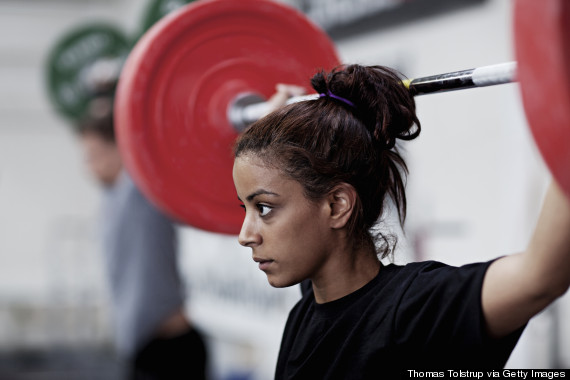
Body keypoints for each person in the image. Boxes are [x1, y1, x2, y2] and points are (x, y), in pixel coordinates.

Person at [232, 64, 570, 378]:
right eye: (245, 208)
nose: (245, 236)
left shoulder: (412, 311)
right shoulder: (310, 307)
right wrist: (274, 123)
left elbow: (541, 277)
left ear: (336, 206)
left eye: (263, 208)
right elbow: (279, 177)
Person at [78, 99, 208, 380]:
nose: (89, 166)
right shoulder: (111, 197)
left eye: (94, 154)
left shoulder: (139, 189)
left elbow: (154, 142)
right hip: (143, 348)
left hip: (172, 353)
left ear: (121, 150)